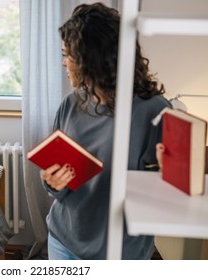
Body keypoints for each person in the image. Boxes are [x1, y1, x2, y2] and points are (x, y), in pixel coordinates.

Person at [40, 3, 171, 260]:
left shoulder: (154, 112)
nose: (64, 63)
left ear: (93, 58)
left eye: (69, 55)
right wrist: (52, 181)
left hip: (119, 253)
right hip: (62, 241)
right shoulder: (70, 105)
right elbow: (57, 180)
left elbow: (164, 196)